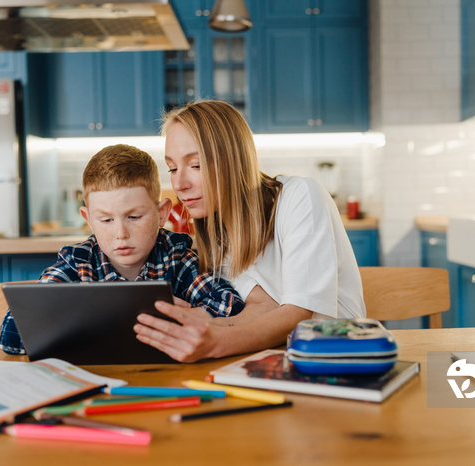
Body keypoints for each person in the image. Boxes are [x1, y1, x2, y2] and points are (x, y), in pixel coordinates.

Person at [133, 100, 366, 362]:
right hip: (281, 361)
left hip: (340, 358)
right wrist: (197, 323)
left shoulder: (299, 196)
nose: (179, 183)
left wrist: (216, 340)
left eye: (195, 165)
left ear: (234, 160)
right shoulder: (217, 231)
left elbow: (299, 317)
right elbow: (260, 307)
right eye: (172, 168)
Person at [0, 144, 244, 355]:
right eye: (106, 220)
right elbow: (12, 332)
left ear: (162, 213)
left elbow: (233, 309)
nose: (121, 233)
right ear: (88, 218)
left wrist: (192, 313)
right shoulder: (78, 263)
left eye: (134, 216)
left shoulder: (176, 257)